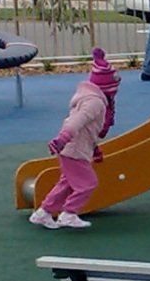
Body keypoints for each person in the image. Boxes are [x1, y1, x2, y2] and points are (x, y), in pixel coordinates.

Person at [31, 48, 119, 231]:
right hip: (73, 148)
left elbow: (88, 130)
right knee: (88, 183)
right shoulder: (94, 102)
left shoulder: (91, 99)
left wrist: (94, 149)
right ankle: (69, 214)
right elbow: (76, 122)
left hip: (73, 147)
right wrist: (62, 139)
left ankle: (44, 213)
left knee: (67, 182)